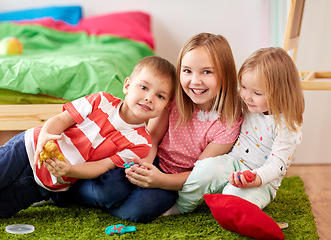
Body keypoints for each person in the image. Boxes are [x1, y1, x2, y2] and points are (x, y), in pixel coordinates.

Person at [52, 32, 243, 223]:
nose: (195, 81)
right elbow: (152, 137)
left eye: (207, 72)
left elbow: (201, 174)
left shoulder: (229, 121)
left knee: (138, 211)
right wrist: (145, 164)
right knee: (106, 191)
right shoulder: (173, 99)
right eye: (187, 71)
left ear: (225, 74)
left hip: (175, 181)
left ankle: (109, 204)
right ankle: (65, 194)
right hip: (149, 158)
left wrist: (160, 180)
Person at [0, 55, 176, 220]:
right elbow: (61, 120)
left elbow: (101, 166)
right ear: (127, 85)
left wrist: (71, 170)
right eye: (143, 87)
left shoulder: (140, 144)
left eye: (160, 96)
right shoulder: (100, 100)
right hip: (26, 149)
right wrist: (45, 135)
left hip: (46, 184)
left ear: (167, 106)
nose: (149, 98)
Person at [174, 47, 305, 214]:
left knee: (233, 197)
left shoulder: (287, 124)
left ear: (281, 93)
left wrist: (256, 179)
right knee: (205, 169)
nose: (246, 96)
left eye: (257, 92)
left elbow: (277, 165)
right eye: (243, 87)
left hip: (261, 180)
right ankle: (181, 207)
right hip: (233, 162)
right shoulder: (248, 102)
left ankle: (233, 207)